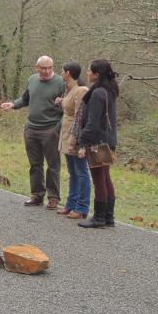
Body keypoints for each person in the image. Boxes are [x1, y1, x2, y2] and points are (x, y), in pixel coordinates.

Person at [0, 56, 65, 208]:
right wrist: (13, 104)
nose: (47, 71)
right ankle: (37, 195)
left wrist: (58, 128)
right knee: (35, 164)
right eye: (44, 68)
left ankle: (54, 197)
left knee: (53, 165)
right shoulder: (32, 80)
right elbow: (26, 99)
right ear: (37, 68)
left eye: (50, 67)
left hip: (51, 129)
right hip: (31, 128)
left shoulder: (61, 83)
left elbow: (68, 108)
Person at [77, 59, 119, 228]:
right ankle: (109, 217)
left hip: (97, 142)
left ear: (97, 74)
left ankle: (99, 218)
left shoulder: (97, 93)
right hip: (109, 140)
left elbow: (92, 123)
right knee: (106, 177)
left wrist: (82, 142)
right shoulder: (110, 90)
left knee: (99, 180)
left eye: (90, 70)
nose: (87, 73)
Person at [55, 61, 90, 219]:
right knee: (72, 172)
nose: (61, 74)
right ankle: (71, 204)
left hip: (75, 135)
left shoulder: (81, 90)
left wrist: (76, 140)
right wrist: (60, 102)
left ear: (68, 73)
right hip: (65, 133)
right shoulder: (69, 89)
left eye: (62, 71)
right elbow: (68, 109)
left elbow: (80, 117)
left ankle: (82, 207)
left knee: (81, 172)